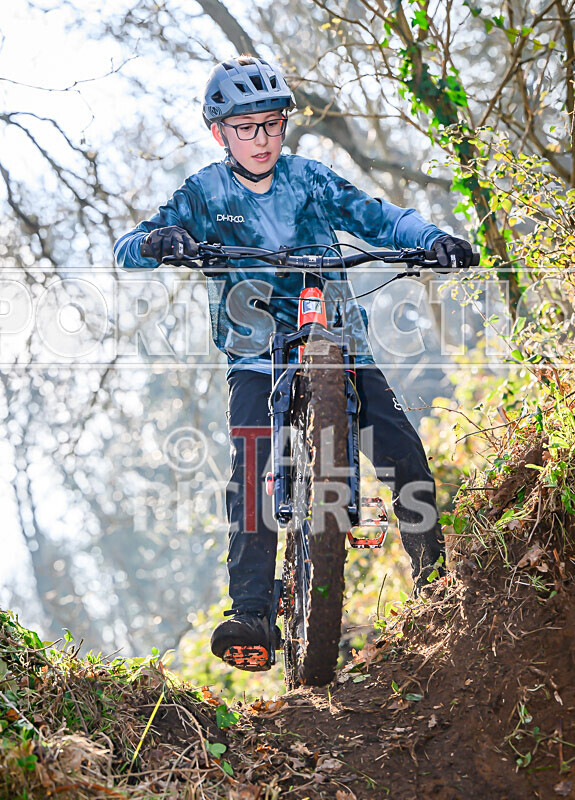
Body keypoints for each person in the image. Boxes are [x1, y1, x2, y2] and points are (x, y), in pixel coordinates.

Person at [114, 55, 473, 671]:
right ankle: (253, 610)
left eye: (272, 125)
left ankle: (436, 583)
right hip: (254, 356)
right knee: (253, 462)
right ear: (219, 132)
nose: (261, 139)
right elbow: (129, 246)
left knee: (398, 443)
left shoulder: (309, 180)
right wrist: (159, 241)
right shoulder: (205, 192)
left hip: (336, 338)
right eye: (245, 127)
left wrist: (430, 238)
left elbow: (380, 217)